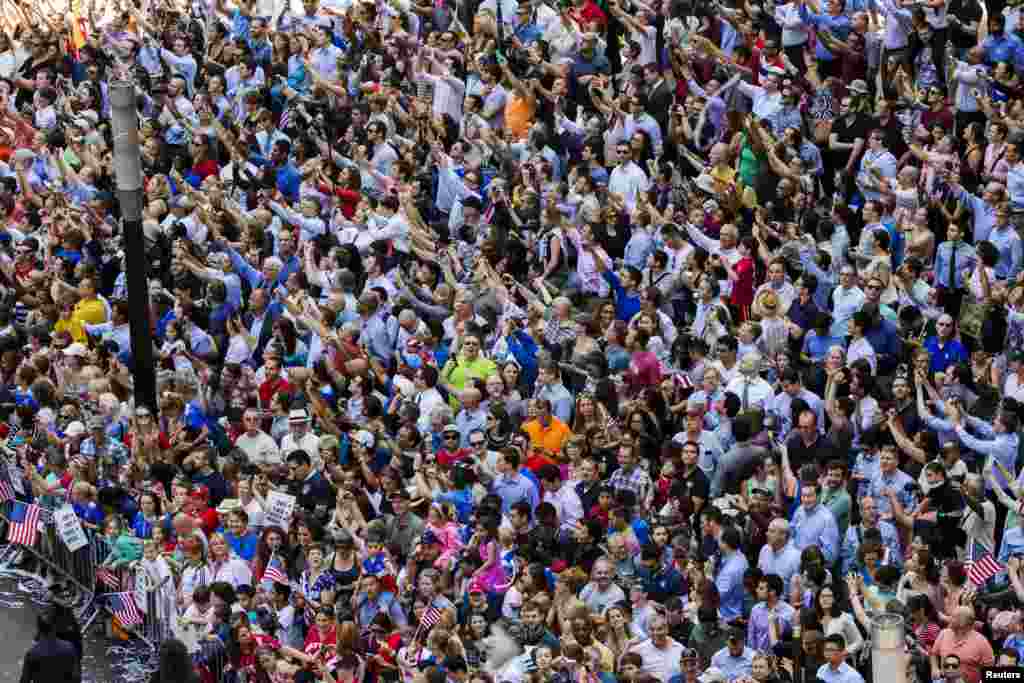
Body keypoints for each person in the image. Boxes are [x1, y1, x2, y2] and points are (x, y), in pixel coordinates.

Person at [20, 609, 81, 683]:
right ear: (55, 626)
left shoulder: (32, 653)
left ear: (38, 628)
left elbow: (24, 681)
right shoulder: (70, 648)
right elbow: (76, 678)